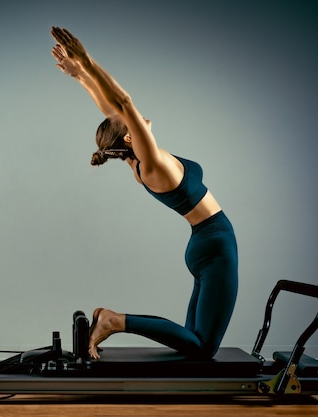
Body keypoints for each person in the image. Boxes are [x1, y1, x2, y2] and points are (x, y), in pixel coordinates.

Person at [50, 27, 238, 360]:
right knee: (203, 348)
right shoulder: (151, 164)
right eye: (130, 122)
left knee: (195, 343)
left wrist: (78, 75)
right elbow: (123, 101)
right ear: (128, 138)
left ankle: (116, 320)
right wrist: (88, 60)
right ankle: (115, 320)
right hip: (216, 245)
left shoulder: (138, 163)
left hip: (206, 244)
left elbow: (110, 107)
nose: (136, 118)